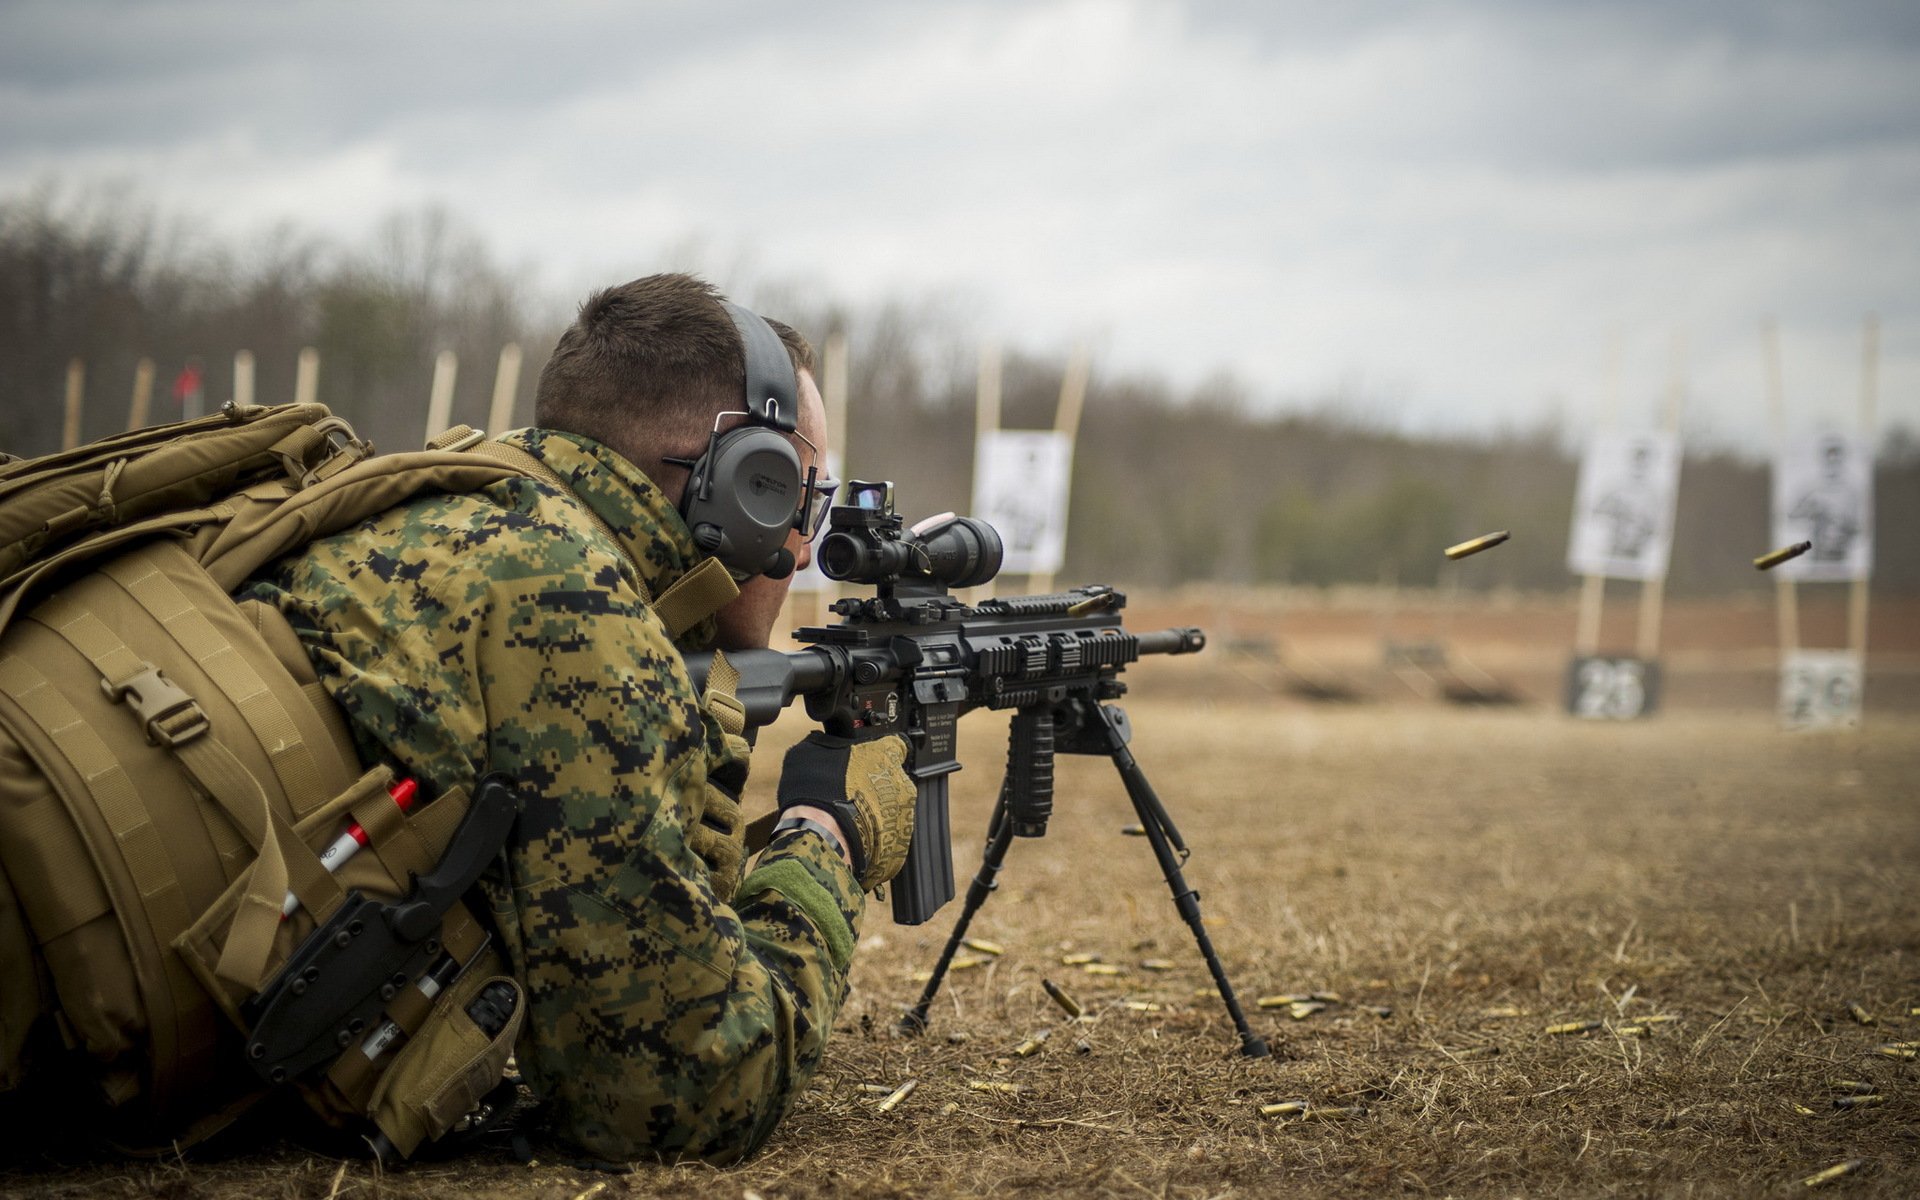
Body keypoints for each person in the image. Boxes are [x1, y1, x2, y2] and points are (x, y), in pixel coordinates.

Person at [238, 273, 916, 1164]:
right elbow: (683, 1094)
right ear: (743, 485)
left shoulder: (444, 512)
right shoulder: (572, 608)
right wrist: (826, 839)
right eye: (801, 499)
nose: (800, 548)